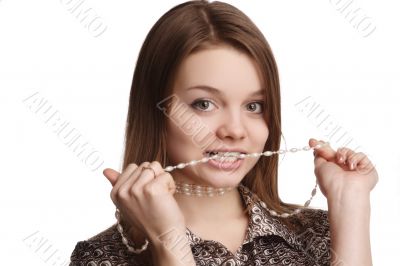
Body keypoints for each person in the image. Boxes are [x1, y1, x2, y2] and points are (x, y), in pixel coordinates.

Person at [69, 0, 378, 265]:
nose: (234, 130)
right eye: (204, 104)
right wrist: (169, 246)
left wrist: (350, 202)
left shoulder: (322, 235)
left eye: (254, 106)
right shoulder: (103, 257)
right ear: (155, 111)